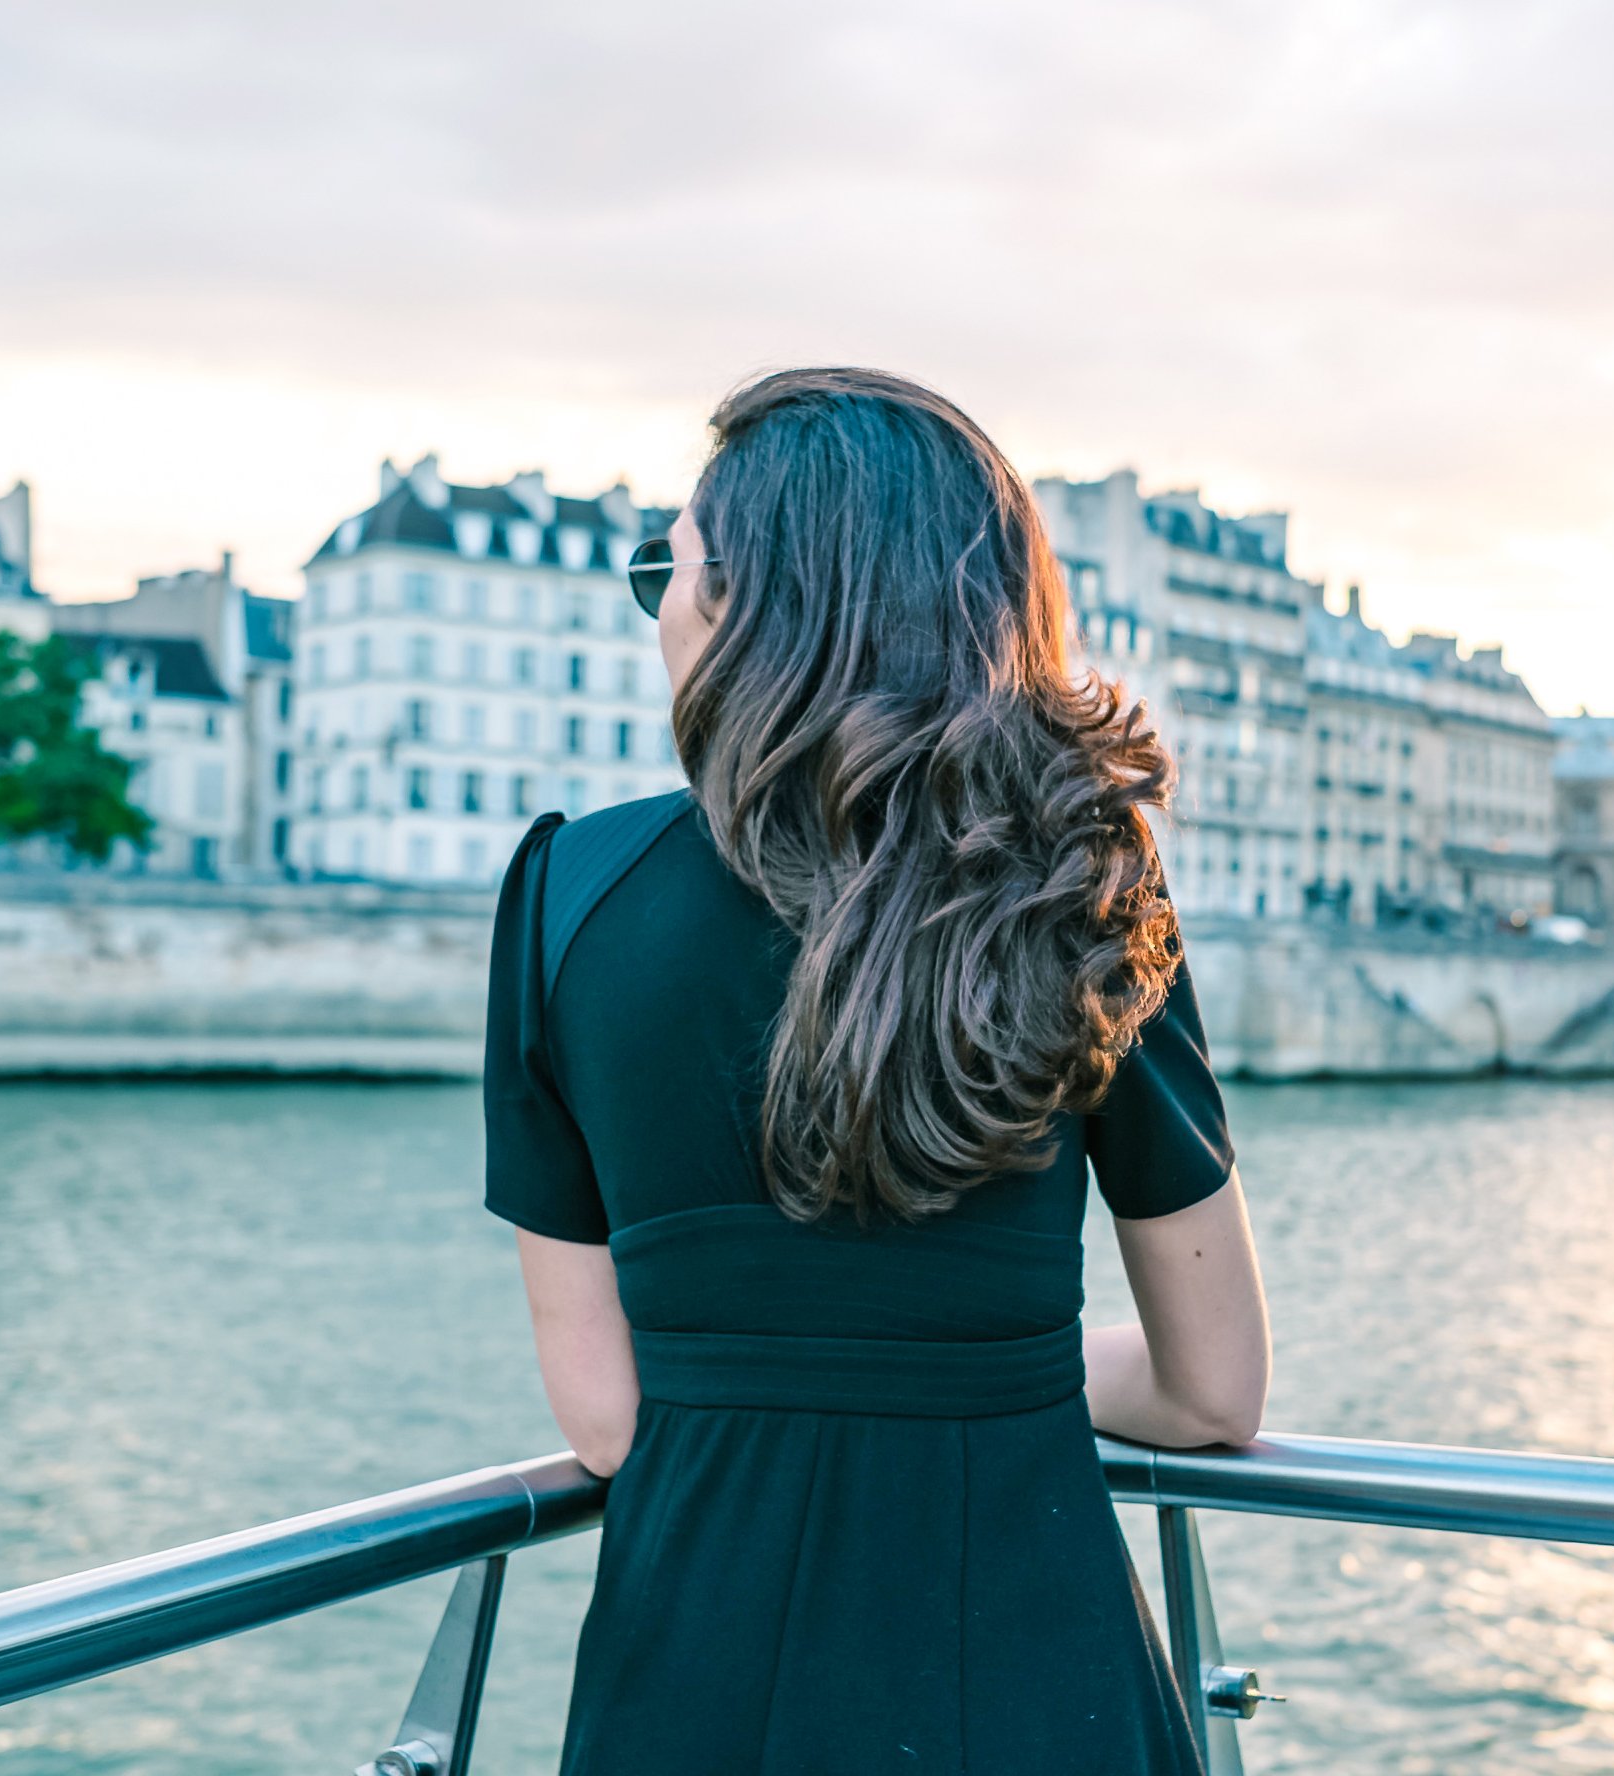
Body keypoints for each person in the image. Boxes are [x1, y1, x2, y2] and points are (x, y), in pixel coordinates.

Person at [484, 367, 1271, 1772]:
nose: (658, 604)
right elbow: (1210, 1392)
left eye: (667, 566)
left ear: (738, 604)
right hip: (1038, 1679)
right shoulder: (1081, 884)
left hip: (693, 1688)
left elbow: (606, 1420)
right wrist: (983, 1361)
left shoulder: (565, 894)